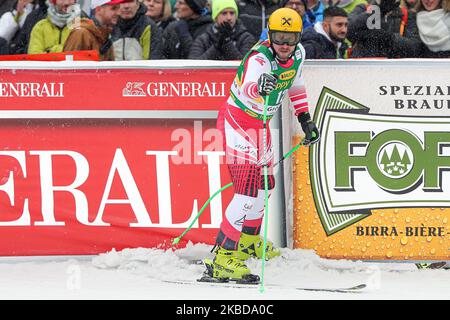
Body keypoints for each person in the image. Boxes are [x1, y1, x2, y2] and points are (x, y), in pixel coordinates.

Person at [206, 8, 320, 281]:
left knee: (265, 185)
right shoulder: (260, 58)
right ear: (269, 35)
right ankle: (223, 257)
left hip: (261, 124)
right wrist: (261, 87)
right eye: (279, 38)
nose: (284, 45)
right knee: (245, 191)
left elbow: (296, 85)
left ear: (298, 38)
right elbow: (248, 87)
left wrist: (305, 120)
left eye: (290, 39)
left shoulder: (299, 54)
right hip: (238, 122)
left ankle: (247, 241)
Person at [347, 0, 422, 58]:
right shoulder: (362, 8)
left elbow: (414, 47)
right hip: (363, 66)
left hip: (393, 68)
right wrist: (377, 9)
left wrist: (390, 37)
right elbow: (349, 32)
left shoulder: (407, 15)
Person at [189, 0, 255, 60]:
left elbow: (243, 65)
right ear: (216, 17)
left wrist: (226, 42)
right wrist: (217, 46)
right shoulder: (203, 39)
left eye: (232, 13)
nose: (229, 18)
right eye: (224, 13)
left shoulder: (246, 38)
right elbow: (195, 65)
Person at [63, 0, 129, 61]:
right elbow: (69, 70)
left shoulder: (106, 34)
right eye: (114, 8)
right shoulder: (81, 33)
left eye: (119, 8)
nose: (119, 13)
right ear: (98, 9)